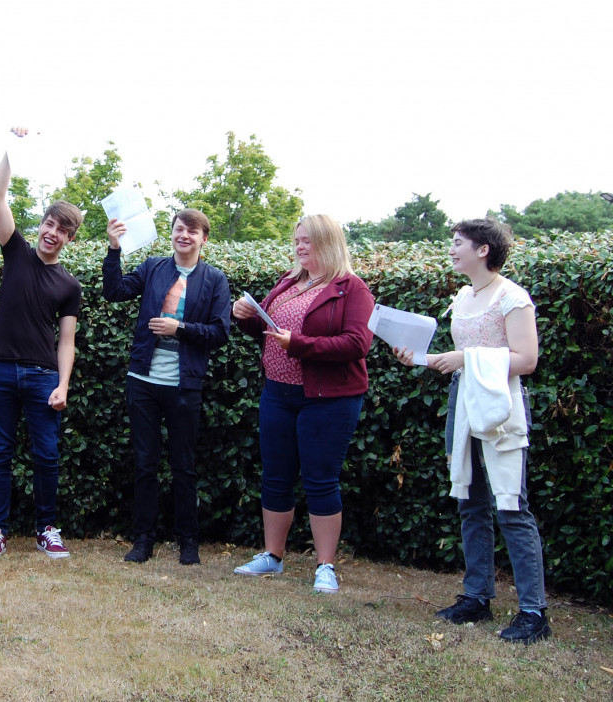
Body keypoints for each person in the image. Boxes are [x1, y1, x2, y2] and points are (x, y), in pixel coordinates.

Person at [394, 218, 550, 644]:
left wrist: (465, 358)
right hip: (463, 405)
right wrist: (419, 360)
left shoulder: (512, 297)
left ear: (483, 250)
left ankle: (534, 613)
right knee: (470, 503)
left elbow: (527, 360)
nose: (452, 248)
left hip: (502, 410)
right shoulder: (463, 296)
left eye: (458, 242)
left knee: (512, 509)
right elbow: (457, 358)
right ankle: (477, 597)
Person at [232, 214, 374, 593]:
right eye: (297, 240)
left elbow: (358, 344)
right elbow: (269, 331)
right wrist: (245, 317)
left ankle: (325, 565)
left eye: (307, 240)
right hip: (278, 393)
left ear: (328, 242)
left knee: (320, 480)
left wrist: (299, 344)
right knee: (275, 476)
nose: (299, 246)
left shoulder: (351, 288)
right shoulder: (289, 283)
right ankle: (272, 556)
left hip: (328, 400)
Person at [102, 209, 231, 565]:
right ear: (171, 233)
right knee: (145, 463)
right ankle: (143, 539)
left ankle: (188, 541)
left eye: (192, 231)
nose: (184, 235)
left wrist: (181, 329)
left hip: (184, 385)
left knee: (183, 464)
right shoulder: (153, 267)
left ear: (204, 238)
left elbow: (220, 333)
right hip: (142, 381)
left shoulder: (215, 279)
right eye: (179, 229)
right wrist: (114, 249)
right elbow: (113, 291)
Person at [0, 135, 83, 559]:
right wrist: (10, 148)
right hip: (0, 371)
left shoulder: (70, 285)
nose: (52, 233)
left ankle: (46, 528)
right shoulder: (15, 253)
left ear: (70, 239)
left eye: (62, 230)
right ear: (41, 224)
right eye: (49, 224)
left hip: (42, 379)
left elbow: (67, 341)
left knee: (46, 455)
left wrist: (64, 385)